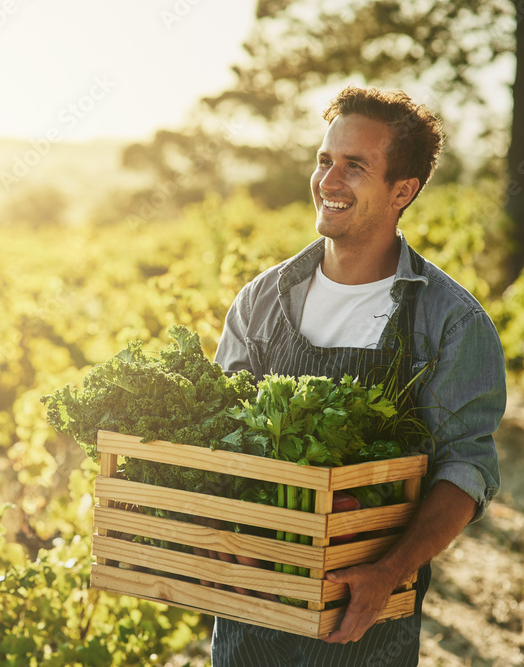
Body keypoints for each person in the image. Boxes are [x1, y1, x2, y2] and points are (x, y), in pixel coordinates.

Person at [211, 85, 506, 665]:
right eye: (325, 160)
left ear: (403, 191)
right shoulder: (262, 301)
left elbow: (466, 467)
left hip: (363, 615)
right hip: (250, 607)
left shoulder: (449, 321)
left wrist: (390, 570)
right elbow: (216, 433)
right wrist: (229, 534)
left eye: (355, 166)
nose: (329, 181)